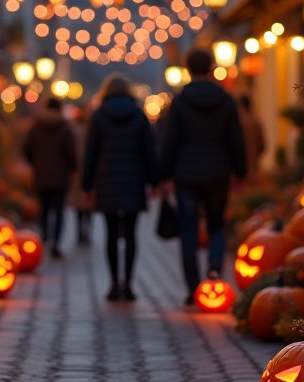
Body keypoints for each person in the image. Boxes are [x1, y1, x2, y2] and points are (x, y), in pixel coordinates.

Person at [159, 49, 246, 305]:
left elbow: (170, 141)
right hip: (218, 173)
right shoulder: (226, 101)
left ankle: (192, 287)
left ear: (187, 69)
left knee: (188, 230)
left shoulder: (180, 102)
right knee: (216, 225)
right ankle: (215, 270)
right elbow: (236, 141)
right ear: (210, 68)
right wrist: (239, 172)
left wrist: (164, 175)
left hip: (186, 175)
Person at [82, 74, 159, 301]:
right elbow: (149, 152)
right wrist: (154, 182)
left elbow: (91, 154)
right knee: (132, 235)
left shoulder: (98, 117)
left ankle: (114, 283)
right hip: (134, 181)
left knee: (111, 234)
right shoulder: (138, 116)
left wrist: (87, 186)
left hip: (107, 181)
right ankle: (129, 284)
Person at [22, 97, 76, 258]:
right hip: (60, 176)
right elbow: (71, 153)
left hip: (41, 175)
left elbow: (26, 148)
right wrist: (71, 168)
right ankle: (56, 242)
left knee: (44, 209)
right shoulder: (65, 128)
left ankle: (45, 236)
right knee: (59, 211)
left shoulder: (37, 127)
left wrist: (36, 162)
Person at [66, 105, 92, 245]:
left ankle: (79, 231)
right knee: (88, 202)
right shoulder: (91, 130)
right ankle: (87, 229)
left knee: (79, 205)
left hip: (77, 170)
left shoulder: (73, 130)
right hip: (88, 168)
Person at [238, 95, 267, 184]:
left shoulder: (237, 123)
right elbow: (262, 145)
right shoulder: (256, 122)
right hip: (254, 166)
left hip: (239, 166)